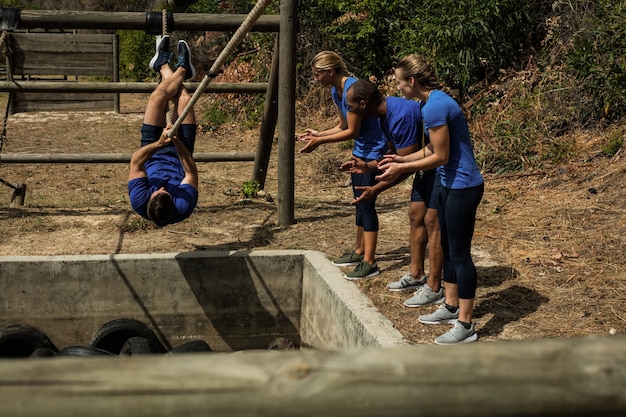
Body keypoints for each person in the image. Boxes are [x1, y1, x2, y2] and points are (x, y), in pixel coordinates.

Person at [376, 54, 484, 345]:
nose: (397, 88)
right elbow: (429, 150)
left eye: (399, 82)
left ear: (412, 81)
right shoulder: (430, 103)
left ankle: (466, 325)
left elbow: (440, 156)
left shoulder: (434, 107)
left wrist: (402, 167)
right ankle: (450, 305)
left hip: (463, 186)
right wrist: (401, 158)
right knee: (448, 246)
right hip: (450, 183)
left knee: (460, 254)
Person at [342, 79, 444, 307]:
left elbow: (405, 167)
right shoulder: (383, 115)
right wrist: (367, 166)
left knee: (432, 222)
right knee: (416, 215)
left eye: (350, 106)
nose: (348, 111)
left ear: (363, 104)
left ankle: (436, 286)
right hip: (423, 164)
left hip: (439, 166)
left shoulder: (400, 117)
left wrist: (376, 189)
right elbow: (394, 155)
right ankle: (416, 274)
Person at [298, 51, 387, 280]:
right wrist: (318, 134)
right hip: (360, 150)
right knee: (358, 203)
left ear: (330, 72)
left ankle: (370, 261)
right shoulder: (335, 91)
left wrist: (320, 142)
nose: (315, 79)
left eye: (317, 75)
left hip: (373, 152)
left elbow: (353, 131)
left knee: (366, 203)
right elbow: (343, 125)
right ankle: (359, 251)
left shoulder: (352, 90)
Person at [128, 35, 198, 226]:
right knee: (184, 98)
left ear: (150, 199)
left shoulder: (139, 200)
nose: (160, 186)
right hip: (180, 155)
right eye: (165, 190)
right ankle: (176, 68)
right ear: (172, 198)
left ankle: (171, 67)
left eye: (156, 190)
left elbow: (136, 161)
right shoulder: (183, 204)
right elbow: (191, 173)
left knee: (158, 96)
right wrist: (177, 142)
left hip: (152, 150)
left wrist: (159, 143)